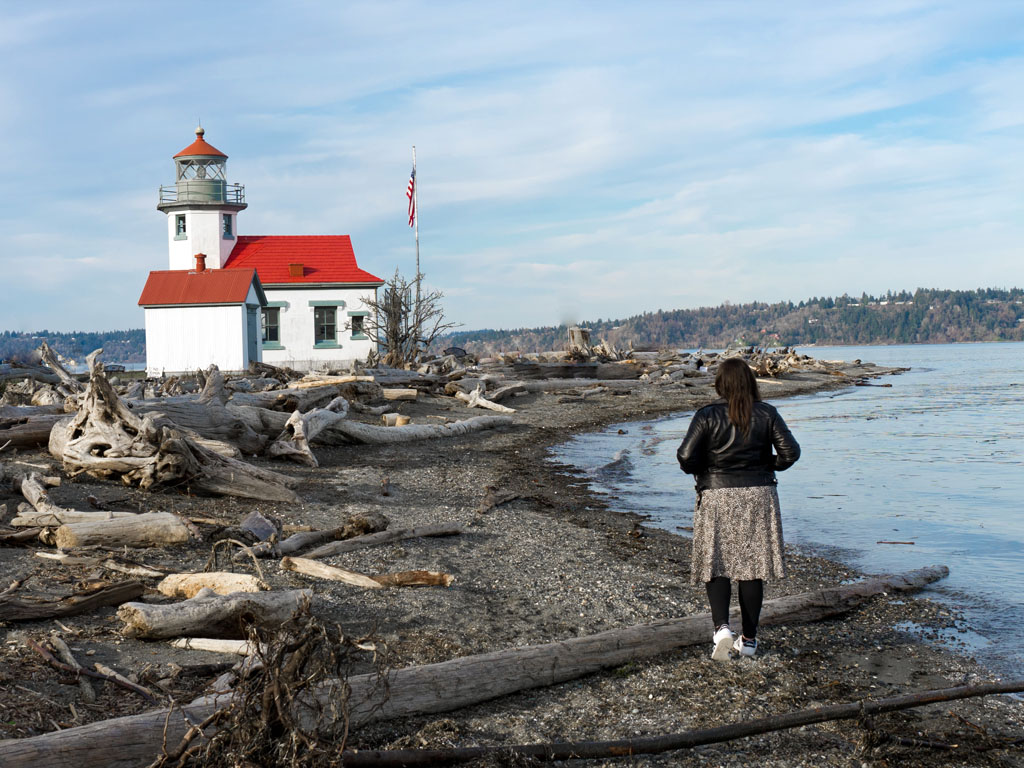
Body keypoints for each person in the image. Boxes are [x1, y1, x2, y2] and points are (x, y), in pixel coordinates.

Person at [677, 357, 800, 660]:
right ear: (751, 382)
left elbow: (684, 457)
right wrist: (764, 464)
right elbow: (790, 453)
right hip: (759, 495)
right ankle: (749, 639)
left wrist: (706, 467)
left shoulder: (707, 415)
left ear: (721, 384)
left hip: (718, 494)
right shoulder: (767, 414)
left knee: (716, 561)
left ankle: (721, 629)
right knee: (752, 566)